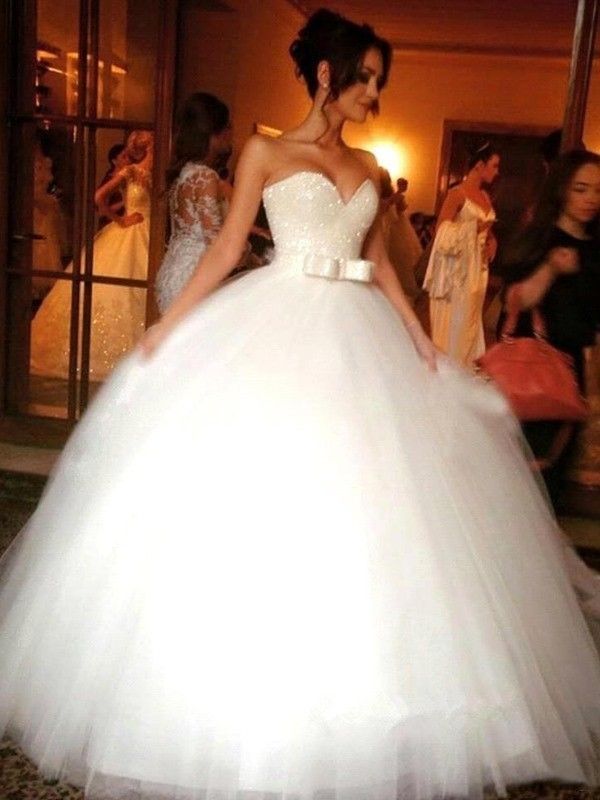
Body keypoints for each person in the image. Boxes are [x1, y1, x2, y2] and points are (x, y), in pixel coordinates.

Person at [1, 10, 599, 800]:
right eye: (366, 79)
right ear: (327, 76)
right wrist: (168, 328)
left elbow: (381, 261)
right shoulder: (265, 150)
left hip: (360, 338)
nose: (374, 95)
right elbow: (225, 246)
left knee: (374, 506)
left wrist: (422, 343)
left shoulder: (373, 174)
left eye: (381, 82)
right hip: (277, 323)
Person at [499, 149, 600, 505]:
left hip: (573, 363)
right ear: (561, 190)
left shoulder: (595, 247)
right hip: (534, 364)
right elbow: (515, 302)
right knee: (526, 470)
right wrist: (551, 269)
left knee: (555, 470)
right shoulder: (541, 238)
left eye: (597, 191)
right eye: (581, 189)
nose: (591, 199)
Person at [29, 130, 153, 381]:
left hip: (151, 232)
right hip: (131, 231)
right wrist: (120, 219)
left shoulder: (159, 174)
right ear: (147, 147)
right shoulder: (131, 172)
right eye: (154, 144)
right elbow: (99, 197)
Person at [155, 93, 233, 313]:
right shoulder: (205, 177)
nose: (230, 133)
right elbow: (215, 243)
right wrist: (247, 252)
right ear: (212, 132)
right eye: (227, 126)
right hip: (194, 278)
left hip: (172, 272)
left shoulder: (183, 173)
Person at [424, 142, 500, 366]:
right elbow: (441, 232)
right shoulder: (457, 195)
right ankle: (450, 372)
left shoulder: (485, 197)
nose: (497, 172)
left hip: (479, 269)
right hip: (457, 272)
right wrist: (471, 230)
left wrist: (493, 242)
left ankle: (465, 371)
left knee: (471, 321)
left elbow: (490, 230)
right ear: (479, 165)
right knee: (455, 324)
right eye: (494, 166)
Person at [97, 143, 127, 229]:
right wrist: (124, 203)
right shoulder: (110, 180)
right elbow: (101, 211)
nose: (128, 160)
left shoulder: (131, 175)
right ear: (114, 161)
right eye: (123, 157)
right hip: (112, 223)